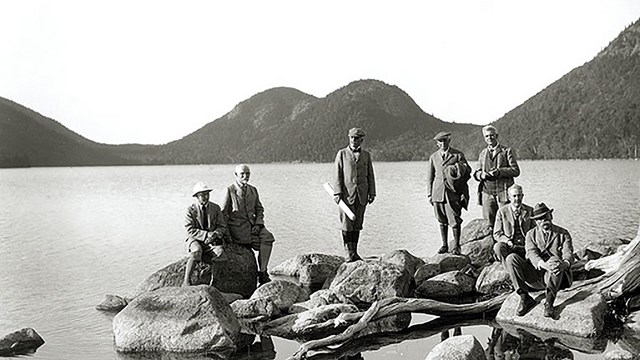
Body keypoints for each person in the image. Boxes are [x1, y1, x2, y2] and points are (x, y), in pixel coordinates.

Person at [503, 202, 574, 318]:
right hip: (536, 275)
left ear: (551, 216)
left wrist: (564, 264)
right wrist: (543, 265)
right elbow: (531, 253)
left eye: (545, 217)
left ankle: (549, 303)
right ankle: (525, 298)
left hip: (556, 276)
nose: (543, 221)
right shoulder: (531, 234)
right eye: (539, 219)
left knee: (554, 260)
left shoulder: (563, 233)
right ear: (535, 222)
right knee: (511, 258)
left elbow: (568, 253)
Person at [221, 164, 275, 285]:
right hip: (238, 230)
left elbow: (259, 209)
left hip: (254, 227)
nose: (246, 176)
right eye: (242, 174)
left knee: (268, 237)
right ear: (236, 175)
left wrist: (259, 224)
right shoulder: (229, 190)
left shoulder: (253, 190)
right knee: (256, 243)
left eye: (248, 174)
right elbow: (223, 214)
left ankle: (262, 272)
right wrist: (227, 235)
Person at [332, 127, 376, 262]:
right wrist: (337, 192)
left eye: (356, 139)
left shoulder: (366, 155)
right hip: (346, 195)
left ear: (361, 140)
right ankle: (348, 253)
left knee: (357, 224)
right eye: (352, 138)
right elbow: (337, 174)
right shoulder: (342, 154)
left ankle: (355, 252)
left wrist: (372, 192)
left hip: (362, 195)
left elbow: (370, 175)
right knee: (346, 224)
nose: (354, 141)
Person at [426, 131, 471, 255]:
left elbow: (466, 173)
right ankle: (444, 245)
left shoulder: (458, 155)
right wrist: (430, 194)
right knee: (441, 219)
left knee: (455, 219)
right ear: (437, 143)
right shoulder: (433, 157)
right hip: (438, 192)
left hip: (453, 192)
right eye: (440, 141)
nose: (442, 143)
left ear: (449, 141)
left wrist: (458, 169)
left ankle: (456, 246)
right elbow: (430, 177)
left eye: (445, 141)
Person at [473, 125, 520, 226]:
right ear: (484, 138)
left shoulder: (506, 151)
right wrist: (482, 175)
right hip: (487, 193)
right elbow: (476, 173)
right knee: (489, 222)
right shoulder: (482, 153)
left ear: (496, 136)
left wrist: (500, 172)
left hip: (504, 192)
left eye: (492, 135)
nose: (489, 138)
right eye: (487, 136)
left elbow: (516, 171)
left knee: (507, 221)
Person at [183, 181, 227, 287]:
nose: (205, 197)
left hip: (212, 239)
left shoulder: (215, 208)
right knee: (197, 251)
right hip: (195, 239)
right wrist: (206, 235)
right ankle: (186, 281)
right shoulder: (191, 210)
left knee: (220, 254)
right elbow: (189, 229)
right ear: (197, 197)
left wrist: (215, 235)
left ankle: (215, 282)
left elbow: (222, 226)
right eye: (202, 195)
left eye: (207, 194)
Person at [493, 184, 533, 263]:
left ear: (522, 196)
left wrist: (529, 243)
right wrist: (507, 241)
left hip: (525, 245)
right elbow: (497, 233)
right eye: (514, 196)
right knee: (498, 247)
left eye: (519, 195)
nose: (517, 199)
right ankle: (507, 267)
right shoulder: (502, 211)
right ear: (509, 197)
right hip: (510, 245)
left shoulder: (530, 210)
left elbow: (535, 231)